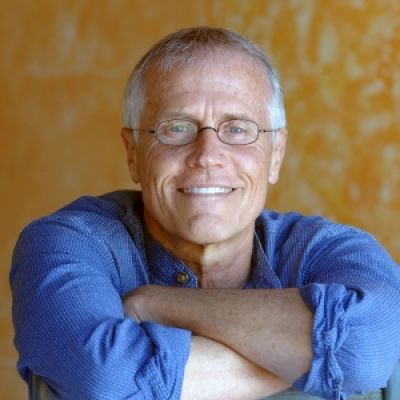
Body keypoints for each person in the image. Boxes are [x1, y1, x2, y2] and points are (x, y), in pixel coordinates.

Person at [10, 26, 400, 400]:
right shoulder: (67, 243)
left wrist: (157, 304)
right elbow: (106, 377)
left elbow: (367, 345)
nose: (208, 155)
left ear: (276, 155)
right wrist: (308, 356)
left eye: (237, 128)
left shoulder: (327, 250)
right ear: (133, 154)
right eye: (176, 127)